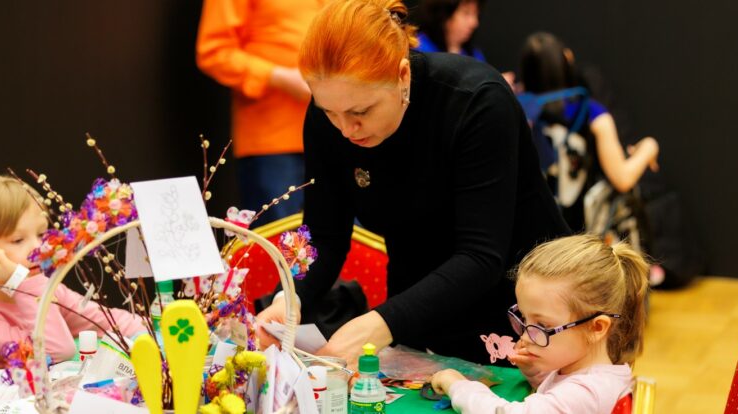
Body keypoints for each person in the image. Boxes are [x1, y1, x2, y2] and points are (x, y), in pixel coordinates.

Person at [256, 0, 570, 366]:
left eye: (361, 112)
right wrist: (289, 299)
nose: (345, 129)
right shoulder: (331, 115)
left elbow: (481, 256)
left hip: (527, 314)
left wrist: (378, 323)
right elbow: (324, 237)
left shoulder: (477, 102)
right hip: (417, 317)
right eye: (330, 112)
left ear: (402, 76)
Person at [431, 234, 649, 413]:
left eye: (542, 327)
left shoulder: (587, 392)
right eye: (524, 319)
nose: (525, 337)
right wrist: (534, 371)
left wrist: (458, 386)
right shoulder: (585, 374)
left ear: (596, 328)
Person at [0, 175, 145, 368]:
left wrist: (155, 333)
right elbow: (57, 352)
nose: (37, 248)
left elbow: (108, 321)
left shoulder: (45, 289)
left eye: (42, 234)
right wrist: (20, 281)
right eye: (18, 240)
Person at [196, 0, 324, 223]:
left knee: (356, 247)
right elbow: (213, 51)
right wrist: (278, 77)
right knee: (279, 248)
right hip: (274, 140)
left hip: (345, 133)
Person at [519, 32, 660, 230]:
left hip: (529, 230)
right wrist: (648, 148)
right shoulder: (590, 111)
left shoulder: (517, 111)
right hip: (580, 237)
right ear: (566, 60)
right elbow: (622, 179)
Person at [414, 0, 485, 61]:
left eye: (476, 14)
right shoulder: (419, 49)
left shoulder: (475, 55)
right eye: (466, 13)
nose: (474, 22)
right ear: (445, 14)